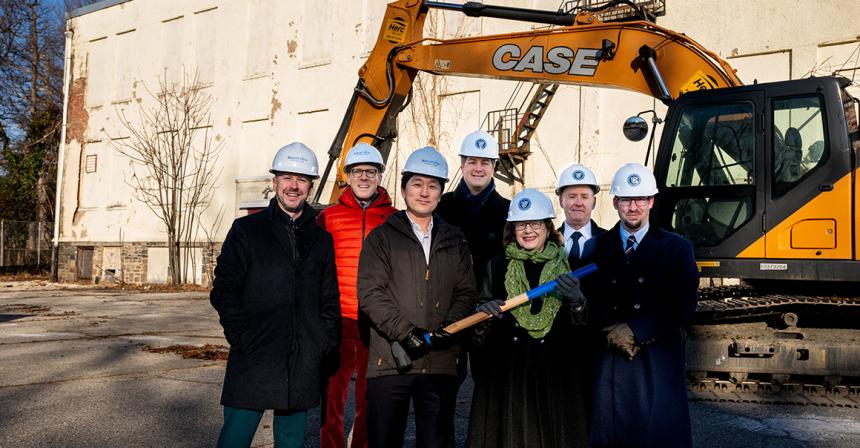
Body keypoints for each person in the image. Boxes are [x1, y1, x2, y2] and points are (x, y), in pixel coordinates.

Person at [210, 142, 341, 448]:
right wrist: (240, 335)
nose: (294, 186)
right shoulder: (246, 230)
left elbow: (329, 298)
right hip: (254, 355)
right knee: (234, 439)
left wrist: (324, 340)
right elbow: (225, 289)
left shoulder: (321, 239)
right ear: (275, 181)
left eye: (301, 179)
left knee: (291, 441)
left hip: (301, 358)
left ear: (310, 186)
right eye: (287, 178)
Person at [358, 146, 477, 448]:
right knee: (384, 440)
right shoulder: (381, 238)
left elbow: (466, 291)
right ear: (403, 189)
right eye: (417, 184)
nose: (424, 192)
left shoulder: (455, 239)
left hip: (440, 361)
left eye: (432, 185)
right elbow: (371, 294)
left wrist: (450, 328)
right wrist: (406, 333)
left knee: (436, 442)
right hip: (391, 359)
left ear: (440, 193)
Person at [577, 163, 699, 448]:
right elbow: (588, 299)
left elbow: (684, 304)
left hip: (656, 361)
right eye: (626, 200)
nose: (633, 208)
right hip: (611, 360)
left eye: (640, 200)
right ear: (615, 203)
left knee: (656, 436)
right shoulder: (596, 247)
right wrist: (608, 329)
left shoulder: (677, 248)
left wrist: (636, 330)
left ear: (651, 201)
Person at [466, 188, 591, 448]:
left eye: (535, 224)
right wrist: (484, 314)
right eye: (521, 224)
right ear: (512, 230)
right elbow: (477, 332)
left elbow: (583, 330)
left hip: (554, 371)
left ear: (547, 228)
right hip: (509, 371)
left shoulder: (568, 264)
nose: (528, 231)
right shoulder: (497, 265)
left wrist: (577, 302)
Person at [317, 143, 397, 448]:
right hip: (338, 320)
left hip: (375, 323)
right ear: (348, 177)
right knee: (332, 399)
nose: (364, 177)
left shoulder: (394, 218)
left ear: (379, 176)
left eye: (371, 171)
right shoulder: (329, 217)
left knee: (369, 398)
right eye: (358, 171)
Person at [436, 130, 510, 287]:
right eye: (472, 162)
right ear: (462, 167)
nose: (478, 168)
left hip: (494, 298)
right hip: (446, 296)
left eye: (485, 163)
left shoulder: (509, 212)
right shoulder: (440, 207)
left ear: (494, 168)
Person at [556, 164, 607, 269]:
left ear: (594, 202)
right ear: (561, 201)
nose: (578, 203)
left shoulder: (611, 242)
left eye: (584, 197)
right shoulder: (548, 242)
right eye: (572, 196)